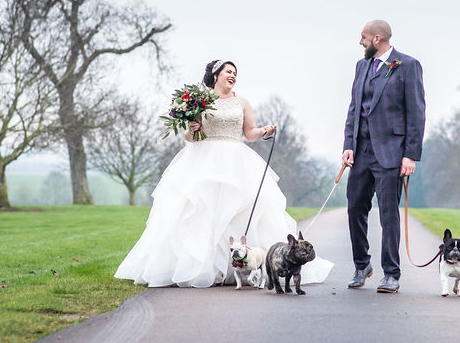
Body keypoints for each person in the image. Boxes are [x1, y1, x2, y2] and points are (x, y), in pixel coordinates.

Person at [115, 59, 333, 288]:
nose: (233, 76)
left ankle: (248, 266)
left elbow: (250, 133)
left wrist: (264, 131)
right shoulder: (199, 101)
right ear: (216, 75)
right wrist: (193, 129)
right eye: (229, 71)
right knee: (201, 211)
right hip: (203, 160)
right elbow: (190, 137)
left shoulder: (242, 101)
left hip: (237, 160)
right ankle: (203, 269)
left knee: (239, 208)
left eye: (235, 73)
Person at [342, 20, 425, 294]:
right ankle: (361, 265)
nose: (360, 42)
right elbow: (354, 108)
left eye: (363, 37)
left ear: (377, 38)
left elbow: (416, 113)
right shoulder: (361, 66)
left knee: (388, 215)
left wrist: (410, 155)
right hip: (361, 152)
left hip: (391, 153)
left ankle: (391, 273)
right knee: (355, 207)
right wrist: (348, 145)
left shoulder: (407, 66)